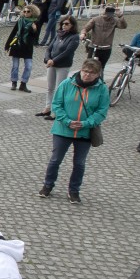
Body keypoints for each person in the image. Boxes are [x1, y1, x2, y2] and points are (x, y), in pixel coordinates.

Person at [38, 59, 108, 204]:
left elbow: (102, 111)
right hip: (63, 130)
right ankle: (47, 185)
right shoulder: (66, 84)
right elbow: (56, 105)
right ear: (81, 70)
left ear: (97, 74)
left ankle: (74, 190)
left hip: (85, 132)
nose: (87, 75)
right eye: (85, 71)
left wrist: (85, 124)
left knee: (79, 163)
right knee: (55, 159)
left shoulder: (102, 89)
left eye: (92, 73)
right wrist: (67, 121)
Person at [38, 15, 80, 119]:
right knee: (49, 87)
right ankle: (48, 107)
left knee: (59, 89)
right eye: (62, 24)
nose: (64, 26)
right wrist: (48, 59)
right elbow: (49, 48)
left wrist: (53, 60)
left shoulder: (74, 37)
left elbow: (68, 52)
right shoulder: (58, 35)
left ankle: (56, 111)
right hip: (52, 64)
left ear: (72, 25)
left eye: (67, 24)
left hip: (63, 65)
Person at [4, 4, 39, 93]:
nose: (26, 13)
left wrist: (34, 30)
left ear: (32, 12)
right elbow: (13, 33)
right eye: (24, 11)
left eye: (28, 11)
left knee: (29, 66)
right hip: (17, 45)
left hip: (27, 47)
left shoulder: (35, 22)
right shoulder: (20, 21)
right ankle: (14, 82)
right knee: (15, 66)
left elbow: (36, 39)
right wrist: (7, 45)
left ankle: (23, 84)